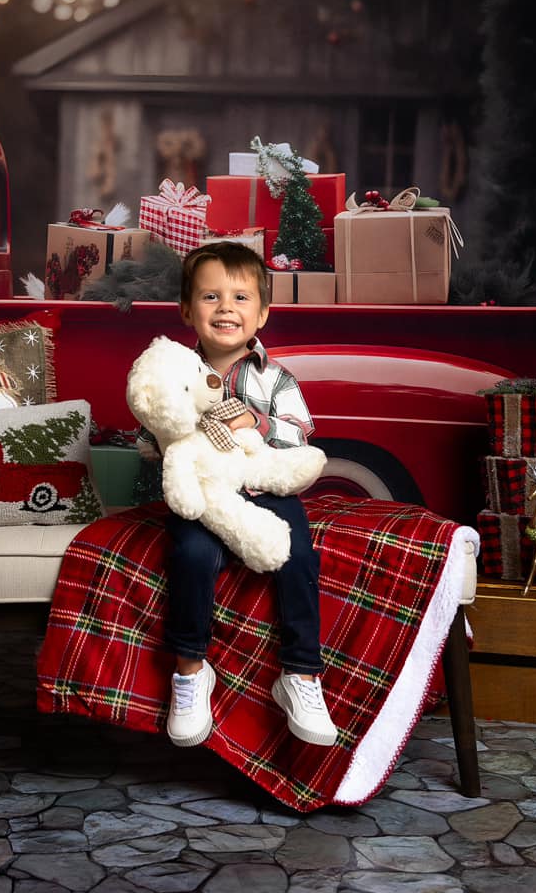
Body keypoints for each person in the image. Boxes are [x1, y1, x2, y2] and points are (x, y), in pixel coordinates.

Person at [136, 241, 337, 749]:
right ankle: (190, 671)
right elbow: (148, 440)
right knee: (192, 554)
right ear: (186, 310)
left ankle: (301, 674)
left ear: (263, 313)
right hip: (203, 496)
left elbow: (299, 436)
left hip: (263, 488)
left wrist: (258, 421)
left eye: (240, 298)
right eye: (210, 297)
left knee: (296, 554)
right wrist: (174, 436)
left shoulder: (277, 379)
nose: (226, 308)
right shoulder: (174, 372)